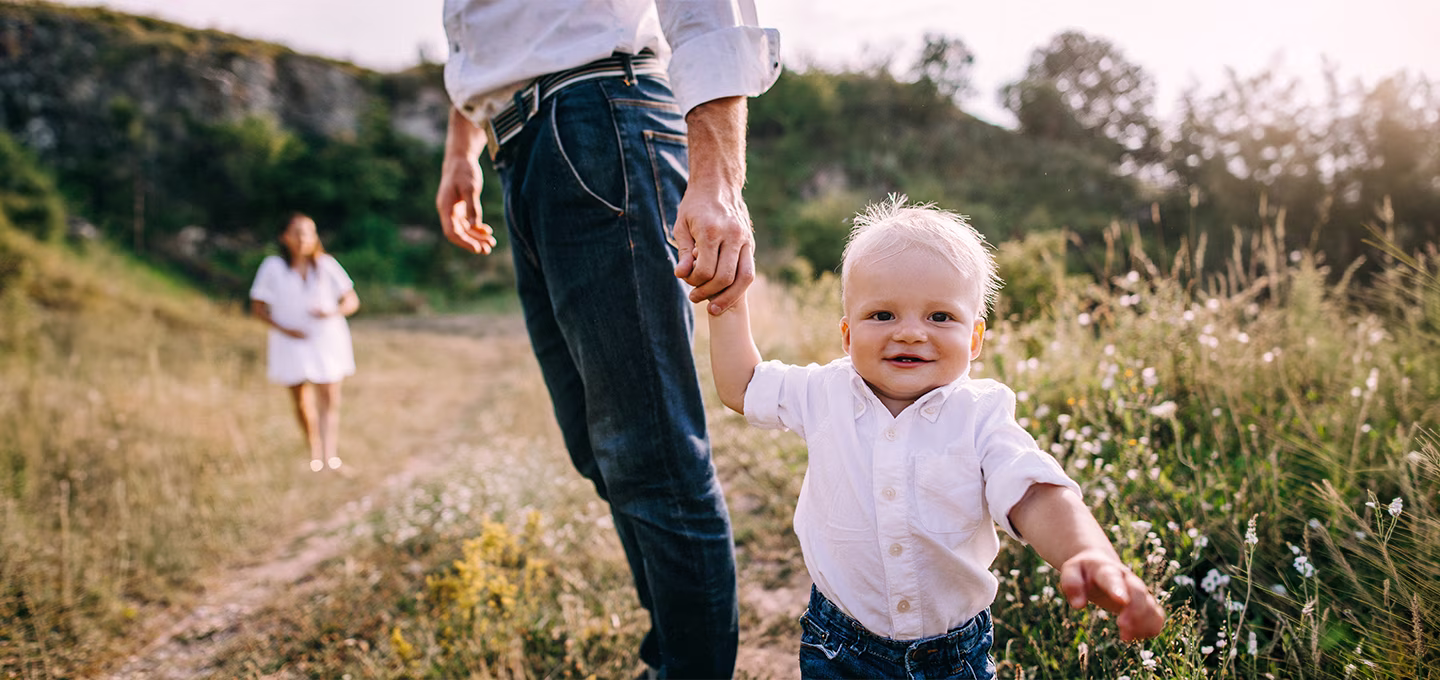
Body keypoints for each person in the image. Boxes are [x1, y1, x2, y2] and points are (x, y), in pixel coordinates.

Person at [434, 2, 781, 677]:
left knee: (652, 454)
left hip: (598, 115)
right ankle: (673, 658)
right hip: (521, 145)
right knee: (600, 448)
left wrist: (717, 177)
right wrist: (461, 148)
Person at [706, 197, 1166, 679]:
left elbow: (1031, 490)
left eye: (940, 317)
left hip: (953, 657)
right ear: (847, 334)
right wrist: (728, 303)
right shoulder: (823, 392)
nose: (909, 333)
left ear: (975, 339)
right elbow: (743, 386)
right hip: (838, 644)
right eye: (882, 315)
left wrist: (1086, 552)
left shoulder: (980, 414)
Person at [249, 213, 360, 473]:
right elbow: (258, 308)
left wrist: (332, 312)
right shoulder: (273, 267)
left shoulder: (326, 265)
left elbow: (351, 300)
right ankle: (314, 455)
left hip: (327, 339)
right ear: (284, 237)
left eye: (309, 233)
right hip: (290, 342)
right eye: (297, 233)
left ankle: (331, 458)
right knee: (301, 400)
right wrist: (286, 330)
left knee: (329, 399)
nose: (303, 239)